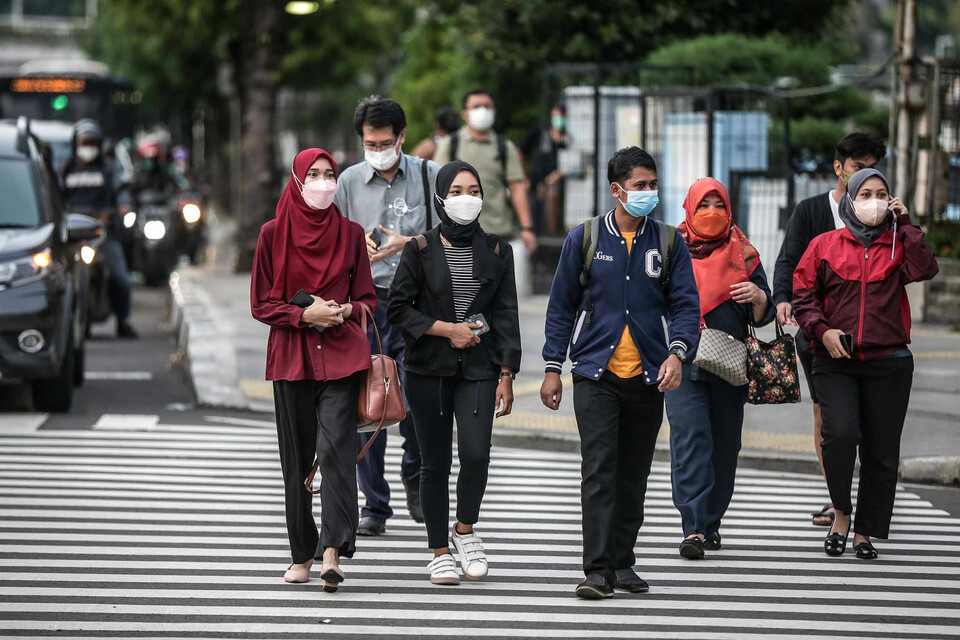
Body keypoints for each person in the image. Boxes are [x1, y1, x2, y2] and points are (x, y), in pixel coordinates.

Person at [539, 147, 700, 599]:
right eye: (640, 185)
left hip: (648, 376)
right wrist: (553, 367)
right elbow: (561, 307)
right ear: (617, 189)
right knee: (600, 469)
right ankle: (596, 569)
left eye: (653, 185)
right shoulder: (585, 237)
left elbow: (687, 306)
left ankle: (623, 562)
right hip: (594, 374)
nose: (649, 193)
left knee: (634, 472)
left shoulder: (668, 241)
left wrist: (677, 354)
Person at [793, 168, 938, 560]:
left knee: (880, 450)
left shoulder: (898, 244)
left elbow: (926, 268)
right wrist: (821, 331)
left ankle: (865, 532)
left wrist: (906, 223)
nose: (874, 200)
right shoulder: (824, 245)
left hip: (889, 361)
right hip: (835, 359)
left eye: (882, 193)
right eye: (866, 193)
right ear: (850, 200)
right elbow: (803, 295)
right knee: (839, 436)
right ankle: (841, 511)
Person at [387, 160, 521, 586]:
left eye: (475, 190)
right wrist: (447, 331)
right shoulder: (420, 248)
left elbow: (506, 313)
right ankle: (439, 550)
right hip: (427, 369)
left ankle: (464, 530)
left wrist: (506, 373)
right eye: (459, 190)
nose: (468, 198)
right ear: (442, 198)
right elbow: (398, 309)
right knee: (435, 462)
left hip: (480, 370)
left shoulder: (499, 250)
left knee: (477, 455)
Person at [250, 148, 377, 591]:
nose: (323, 183)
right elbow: (261, 304)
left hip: (342, 357)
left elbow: (368, 298)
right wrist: (304, 316)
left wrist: (346, 309)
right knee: (298, 460)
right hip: (292, 359)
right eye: (314, 174)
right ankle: (300, 553)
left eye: (329, 175)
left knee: (337, 450)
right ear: (297, 180)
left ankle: (331, 551)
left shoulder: (350, 233)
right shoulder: (271, 234)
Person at [336, 96, 438, 536]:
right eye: (369, 142)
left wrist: (408, 243)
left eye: (384, 142)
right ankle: (374, 504)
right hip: (368, 304)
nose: (376, 149)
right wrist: (355, 247)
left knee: (417, 399)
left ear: (402, 138)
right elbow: (331, 241)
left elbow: (451, 235)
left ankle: (414, 474)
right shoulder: (347, 182)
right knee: (369, 403)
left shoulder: (430, 176)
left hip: (417, 303)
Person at [772, 132, 885, 527]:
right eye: (857, 167)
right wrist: (783, 298)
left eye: (873, 169)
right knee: (827, 415)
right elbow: (788, 259)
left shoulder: (884, 214)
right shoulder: (811, 211)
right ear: (839, 168)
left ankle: (857, 502)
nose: (866, 179)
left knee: (866, 422)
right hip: (818, 331)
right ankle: (838, 499)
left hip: (873, 339)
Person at [666, 178, 775, 560]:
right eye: (703, 204)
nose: (712, 212)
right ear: (688, 209)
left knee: (725, 448)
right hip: (682, 361)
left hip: (730, 366)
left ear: (730, 210)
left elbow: (764, 314)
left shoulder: (744, 253)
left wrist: (758, 297)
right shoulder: (670, 249)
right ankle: (693, 527)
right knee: (690, 441)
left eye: (719, 204)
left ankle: (711, 522)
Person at [434, 89, 538, 256]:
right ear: (465, 114)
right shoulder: (451, 144)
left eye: (487, 106)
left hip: (497, 235)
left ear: (494, 111)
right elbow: (436, 187)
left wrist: (527, 228)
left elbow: (517, 188)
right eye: (476, 107)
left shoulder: (504, 147)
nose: (482, 111)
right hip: (457, 237)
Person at [59, 119, 137, 338]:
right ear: (76, 144)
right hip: (74, 237)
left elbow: (122, 191)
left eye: (93, 143)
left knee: (121, 278)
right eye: (85, 142)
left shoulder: (109, 169)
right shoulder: (65, 170)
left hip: (103, 234)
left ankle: (123, 321)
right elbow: (56, 197)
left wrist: (123, 207)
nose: (88, 148)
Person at [520, 102, 568, 234]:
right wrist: (525, 177)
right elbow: (520, 152)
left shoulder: (570, 137)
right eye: (558, 114)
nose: (561, 117)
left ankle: (551, 234)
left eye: (564, 114)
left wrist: (559, 174)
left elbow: (575, 161)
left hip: (562, 182)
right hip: (537, 182)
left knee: (552, 192)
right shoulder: (540, 132)